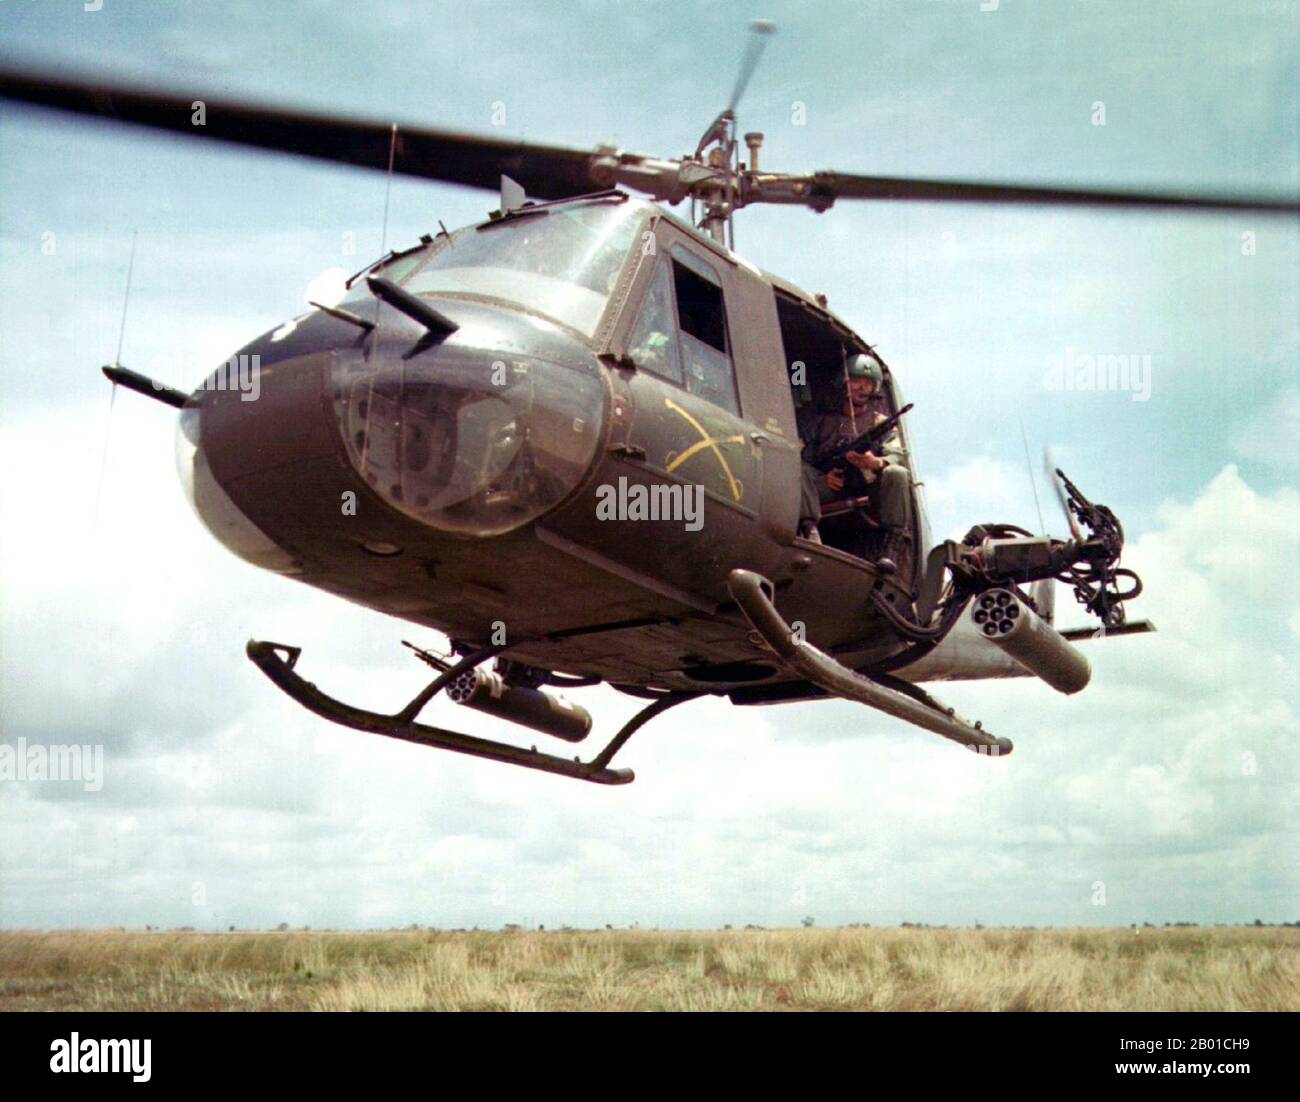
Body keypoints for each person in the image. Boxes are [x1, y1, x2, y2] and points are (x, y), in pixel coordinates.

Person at [799, 352, 912, 574]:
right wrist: (823, 478)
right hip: (829, 486)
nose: (862, 388)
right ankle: (809, 531)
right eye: (856, 381)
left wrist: (875, 462)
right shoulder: (821, 422)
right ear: (843, 383)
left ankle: (891, 545)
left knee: (897, 473)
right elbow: (805, 458)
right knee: (798, 470)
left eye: (868, 384)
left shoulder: (880, 423)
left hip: (868, 487)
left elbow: (897, 454)